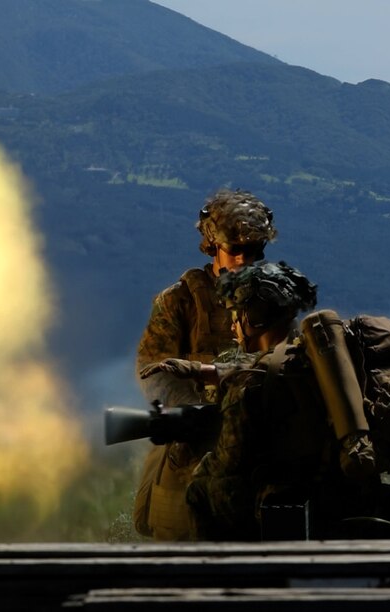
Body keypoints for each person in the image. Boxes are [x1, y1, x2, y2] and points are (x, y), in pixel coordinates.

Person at [142, 261, 390, 541]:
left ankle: (223, 578)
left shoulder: (254, 383)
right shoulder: (331, 362)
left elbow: (227, 467)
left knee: (200, 487)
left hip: (305, 514)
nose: (234, 326)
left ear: (253, 317)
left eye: (236, 315)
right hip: (364, 502)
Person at [131, 188, 276, 540]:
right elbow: (153, 370)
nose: (243, 260)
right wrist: (196, 413)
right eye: (235, 250)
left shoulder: (270, 297)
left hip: (256, 431)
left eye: (253, 251)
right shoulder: (180, 301)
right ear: (213, 245)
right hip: (196, 437)